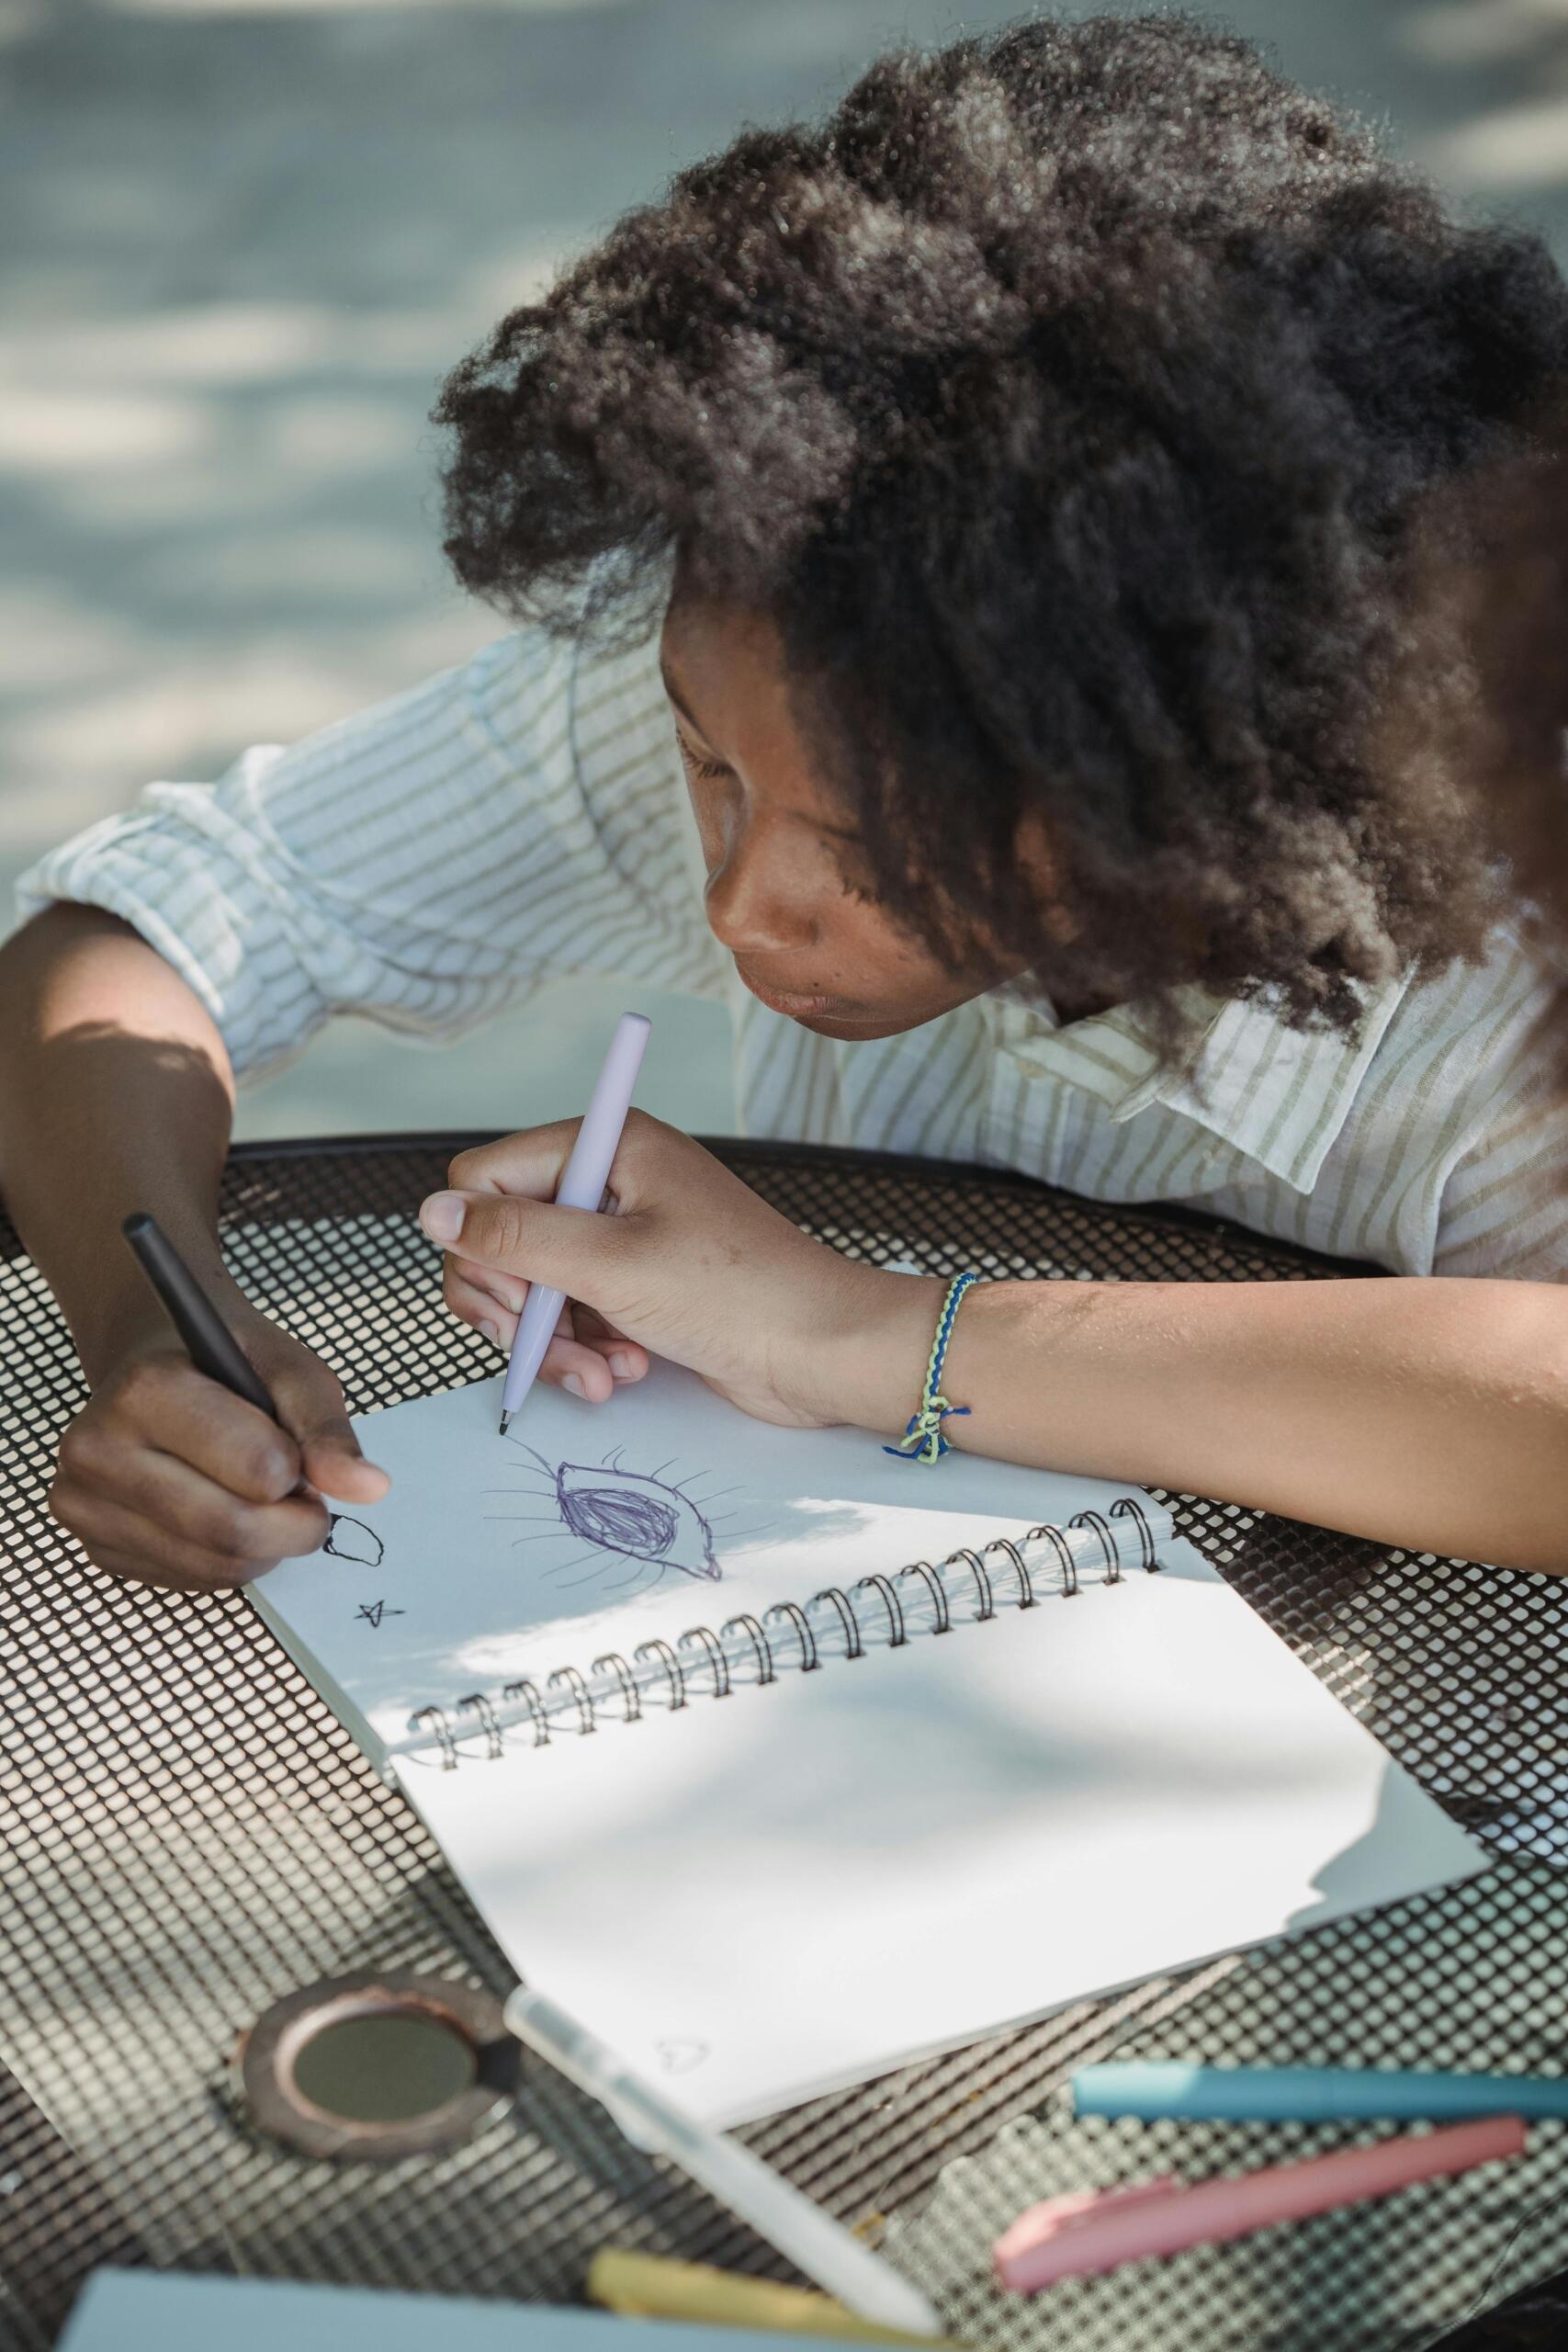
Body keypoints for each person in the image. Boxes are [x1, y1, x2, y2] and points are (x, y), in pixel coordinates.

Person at [3, 13, 1566, 1591]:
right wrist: (151, 1319)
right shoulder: (782, 669)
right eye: (708, 772)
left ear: (1185, 783)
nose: (741, 902)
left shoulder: (1519, 946)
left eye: (880, 847)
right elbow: (145, 931)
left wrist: (841, 1330)